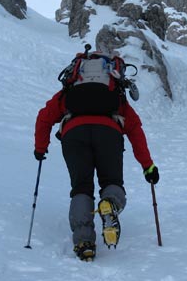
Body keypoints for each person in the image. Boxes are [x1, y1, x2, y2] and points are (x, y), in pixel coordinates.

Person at [33, 53, 159, 262]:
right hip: (108, 133)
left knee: (81, 186)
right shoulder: (115, 94)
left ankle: (84, 243)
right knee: (111, 181)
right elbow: (135, 129)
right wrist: (148, 166)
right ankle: (110, 203)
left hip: (74, 134)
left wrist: (40, 147)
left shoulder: (69, 91)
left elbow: (44, 117)